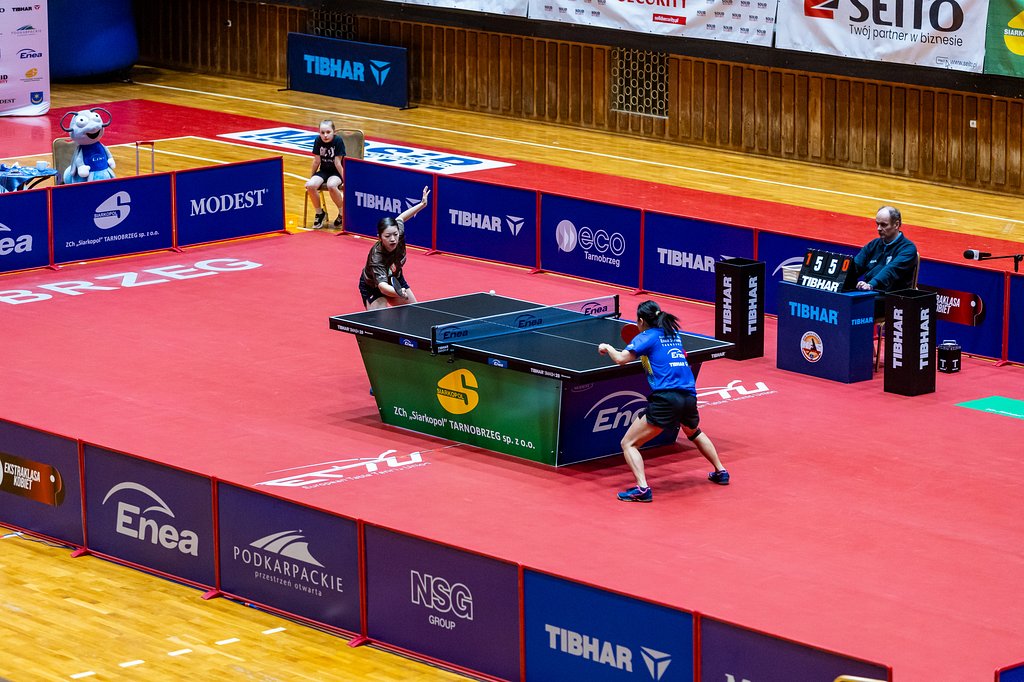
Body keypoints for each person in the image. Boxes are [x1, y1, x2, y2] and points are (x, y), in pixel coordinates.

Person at [598, 300, 729, 503]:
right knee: (694, 432)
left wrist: (607, 347)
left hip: (666, 399)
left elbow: (621, 359)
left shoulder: (646, 336)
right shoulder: (673, 334)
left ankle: (642, 489)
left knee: (628, 443)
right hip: (689, 396)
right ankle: (721, 471)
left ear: (641, 321)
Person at [358, 186, 431, 310]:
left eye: (395, 234)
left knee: (414, 311)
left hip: (395, 278)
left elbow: (401, 218)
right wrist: (398, 292)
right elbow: (382, 286)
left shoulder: (398, 235)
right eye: (387, 236)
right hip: (373, 286)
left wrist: (422, 204)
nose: (393, 239)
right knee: (380, 319)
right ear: (379, 237)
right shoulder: (377, 257)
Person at [854, 206, 919, 315]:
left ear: (896, 224)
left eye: (884, 225)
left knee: (853, 307)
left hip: (891, 299)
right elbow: (856, 265)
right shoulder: (873, 244)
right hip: (870, 294)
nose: (879, 228)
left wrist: (871, 285)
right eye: (877, 224)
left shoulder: (908, 249)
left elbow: (890, 270)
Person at [306, 120, 346, 229]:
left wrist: (345, 180)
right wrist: (311, 178)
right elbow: (316, 161)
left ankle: (342, 213)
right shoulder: (318, 140)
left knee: (331, 185)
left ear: (334, 132)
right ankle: (320, 213)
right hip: (324, 171)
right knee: (310, 185)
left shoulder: (338, 141)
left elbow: (338, 163)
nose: (325, 135)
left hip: (336, 172)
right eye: (322, 133)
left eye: (328, 132)